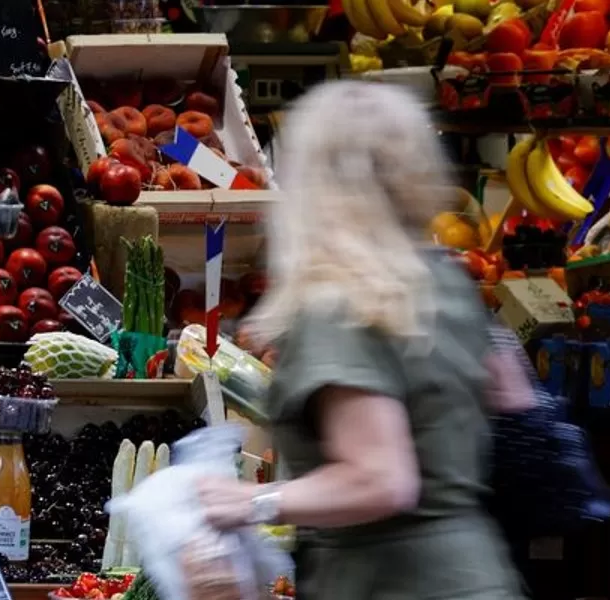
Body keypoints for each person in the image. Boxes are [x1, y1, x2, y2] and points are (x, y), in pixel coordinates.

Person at [195, 81, 525, 599]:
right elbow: (510, 397)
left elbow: (381, 480)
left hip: (390, 582)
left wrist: (251, 503)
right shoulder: (445, 280)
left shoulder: (343, 302)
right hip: (476, 573)